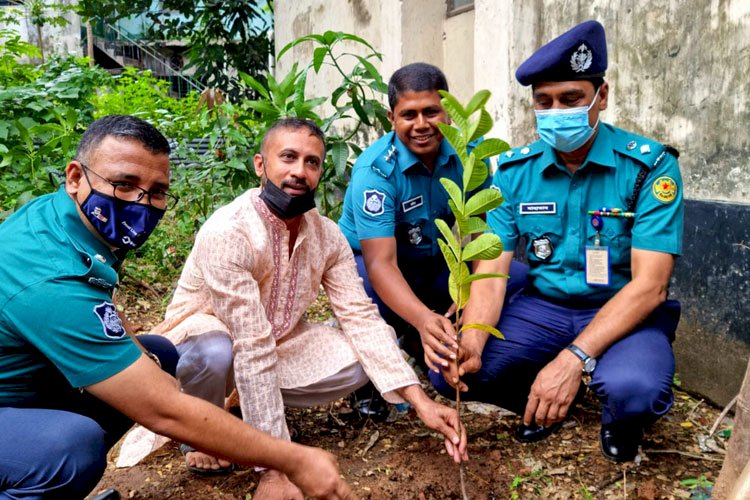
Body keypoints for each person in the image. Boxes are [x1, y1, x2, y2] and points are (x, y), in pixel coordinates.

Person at [0, 115, 355, 499]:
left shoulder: (66, 221)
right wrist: (292, 460)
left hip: (23, 383)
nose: (141, 202)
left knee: (160, 355)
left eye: (156, 191)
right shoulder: (48, 278)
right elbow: (163, 410)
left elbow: (99, 305)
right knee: (70, 450)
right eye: (124, 184)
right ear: (75, 177)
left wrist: (145, 365)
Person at [147, 117, 467, 499]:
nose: (300, 171)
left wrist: (422, 402)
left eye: (312, 162)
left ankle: (244, 412)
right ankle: (200, 433)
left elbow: (360, 317)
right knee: (218, 352)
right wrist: (276, 467)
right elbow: (249, 343)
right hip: (204, 340)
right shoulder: (229, 231)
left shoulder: (327, 235)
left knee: (358, 359)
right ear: (260, 165)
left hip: (275, 339)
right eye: (288, 157)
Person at [430, 20, 684, 463]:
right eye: (544, 102)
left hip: (623, 308)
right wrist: (471, 340)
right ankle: (545, 401)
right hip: (546, 307)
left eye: (571, 99)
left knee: (634, 390)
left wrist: (572, 360)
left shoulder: (649, 168)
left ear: (600, 97)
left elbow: (651, 286)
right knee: (451, 374)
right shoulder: (512, 173)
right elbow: (491, 270)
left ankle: (619, 420)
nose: (556, 111)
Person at [338, 62, 526, 376]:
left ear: (448, 113)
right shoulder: (376, 172)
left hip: (432, 260)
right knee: (362, 288)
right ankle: (379, 367)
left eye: (431, 112)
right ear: (391, 118)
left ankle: (444, 340)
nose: (421, 124)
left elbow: (480, 238)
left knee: (516, 278)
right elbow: (380, 264)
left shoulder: (470, 154)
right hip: (372, 263)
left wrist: (471, 297)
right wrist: (424, 319)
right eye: (409, 115)